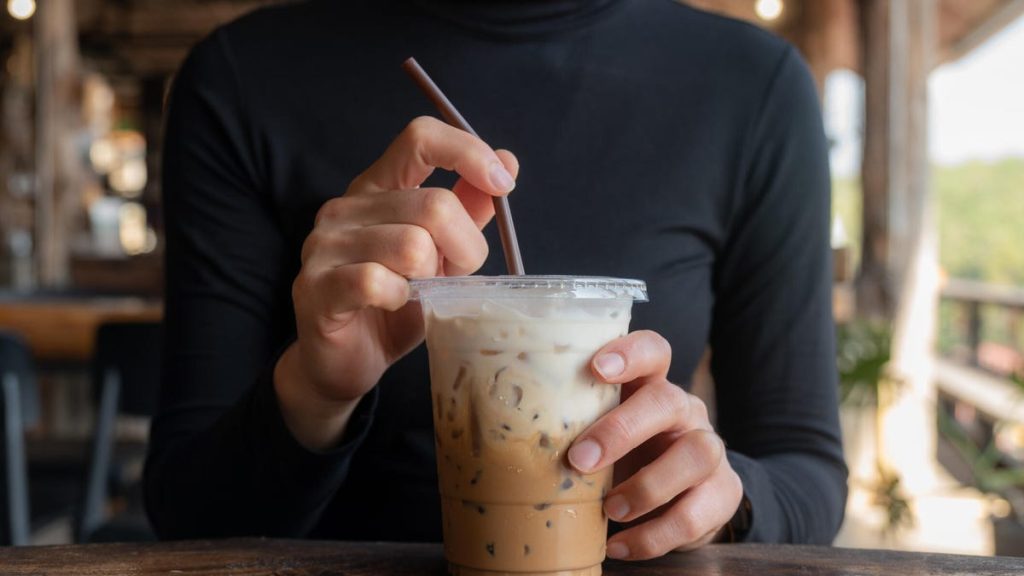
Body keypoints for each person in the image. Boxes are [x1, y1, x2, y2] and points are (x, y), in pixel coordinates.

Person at [144, 0, 847, 559]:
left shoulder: (752, 86)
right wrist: (316, 388)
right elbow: (186, 513)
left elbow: (806, 470)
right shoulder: (245, 77)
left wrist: (721, 494)